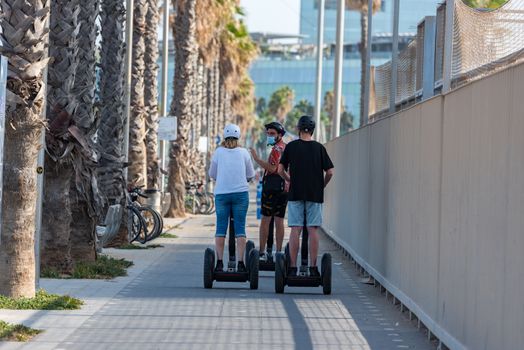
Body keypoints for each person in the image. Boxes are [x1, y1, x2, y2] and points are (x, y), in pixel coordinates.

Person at [278, 115, 334, 277]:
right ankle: (313, 267)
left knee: (296, 229)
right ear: (313, 130)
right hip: (314, 193)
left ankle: (293, 268)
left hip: (296, 192)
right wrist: (321, 185)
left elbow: (281, 170)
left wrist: (289, 180)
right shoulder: (319, 148)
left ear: (298, 129)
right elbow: (330, 172)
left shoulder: (291, 147)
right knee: (313, 229)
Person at [209, 124, 256, 273]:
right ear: (238, 136)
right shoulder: (244, 153)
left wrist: (222, 178)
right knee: (240, 229)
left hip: (222, 194)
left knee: (221, 228)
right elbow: (250, 174)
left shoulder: (218, 152)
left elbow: (212, 174)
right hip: (240, 194)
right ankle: (241, 263)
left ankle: (220, 263)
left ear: (224, 136)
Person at [250, 122, 288, 260]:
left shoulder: (277, 149)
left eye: (272, 134)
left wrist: (256, 159)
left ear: (280, 135)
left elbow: (272, 168)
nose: (269, 136)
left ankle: (262, 252)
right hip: (284, 188)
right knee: (279, 220)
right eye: (268, 133)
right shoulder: (285, 147)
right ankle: (278, 252)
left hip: (272, 186)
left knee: (266, 219)